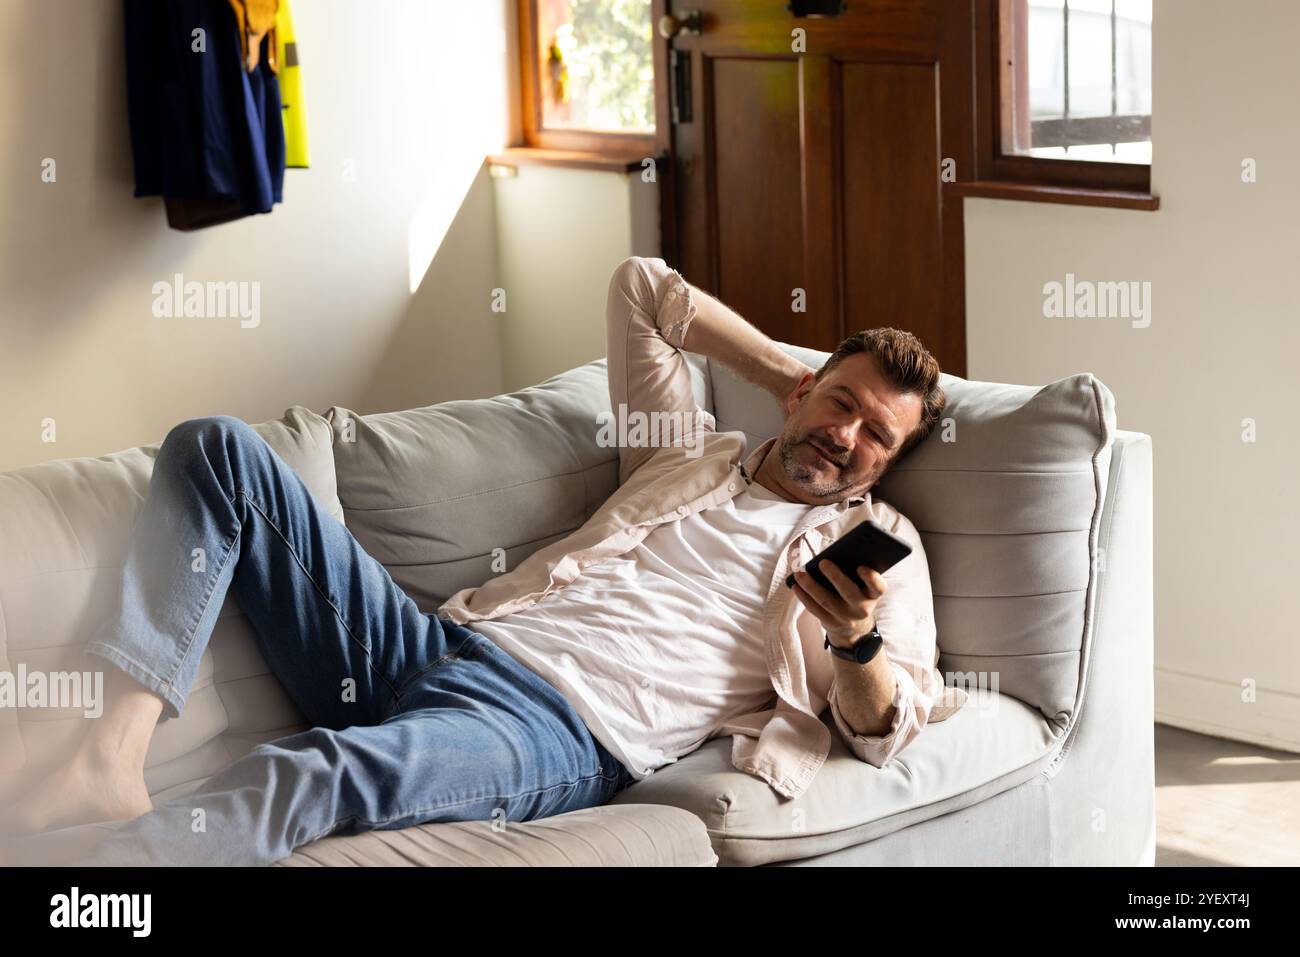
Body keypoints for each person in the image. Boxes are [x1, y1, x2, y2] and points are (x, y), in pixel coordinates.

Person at [0, 257, 949, 866]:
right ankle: (110, 749)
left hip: (556, 730)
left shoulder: (885, 550)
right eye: (840, 401)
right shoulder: (683, 453)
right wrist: (782, 370)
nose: (847, 435)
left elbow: (884, 728)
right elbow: (643, 289)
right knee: (217, 449)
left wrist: (855, 642)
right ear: (803, 392)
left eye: (877, 434)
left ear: (889, 463)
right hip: (437, 644)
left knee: (312, 772)